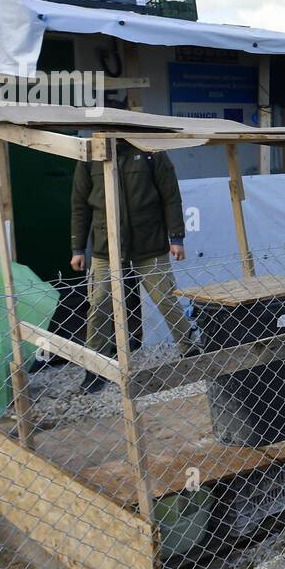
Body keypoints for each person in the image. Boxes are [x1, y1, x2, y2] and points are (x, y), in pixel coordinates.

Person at [70, 141, 197, 393]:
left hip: (149, 243)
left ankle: (191, 351)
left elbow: (170, 196)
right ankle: (96, 368)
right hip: (106, 246)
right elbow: (79, 204)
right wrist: (77, 248)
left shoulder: (151, 151)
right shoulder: (88, 156)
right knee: (100, 303)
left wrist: (177, 238)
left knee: (165, 299)